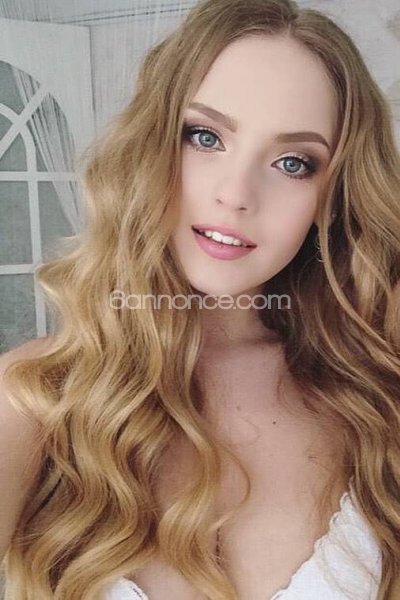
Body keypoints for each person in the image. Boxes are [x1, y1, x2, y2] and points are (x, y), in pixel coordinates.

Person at [1, 0, 400, 598]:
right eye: (205, 136)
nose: (236, 194)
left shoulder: (375, 392)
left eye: (293, 163)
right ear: (151, 146)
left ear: (333, 198)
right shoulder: (33, 398)